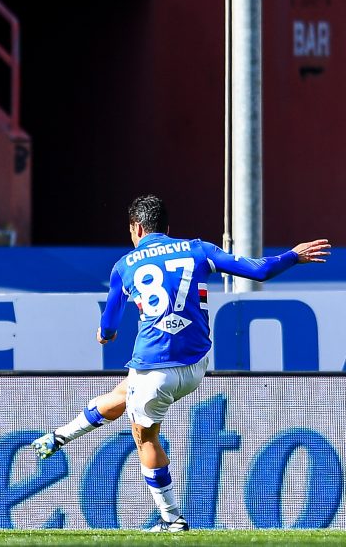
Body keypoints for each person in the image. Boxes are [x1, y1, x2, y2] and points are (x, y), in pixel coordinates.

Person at [31, 194, 329, 532]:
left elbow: (109, 326)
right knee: (122, 394)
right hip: (196, 364)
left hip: (155, 369)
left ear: (136, 227)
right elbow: (258, 271)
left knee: (145, 438)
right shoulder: (197, 249)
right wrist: (293, 255)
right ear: (167, 228)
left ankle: (172, 519)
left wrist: (104, 333)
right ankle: (58, 437)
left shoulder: (125, 266)